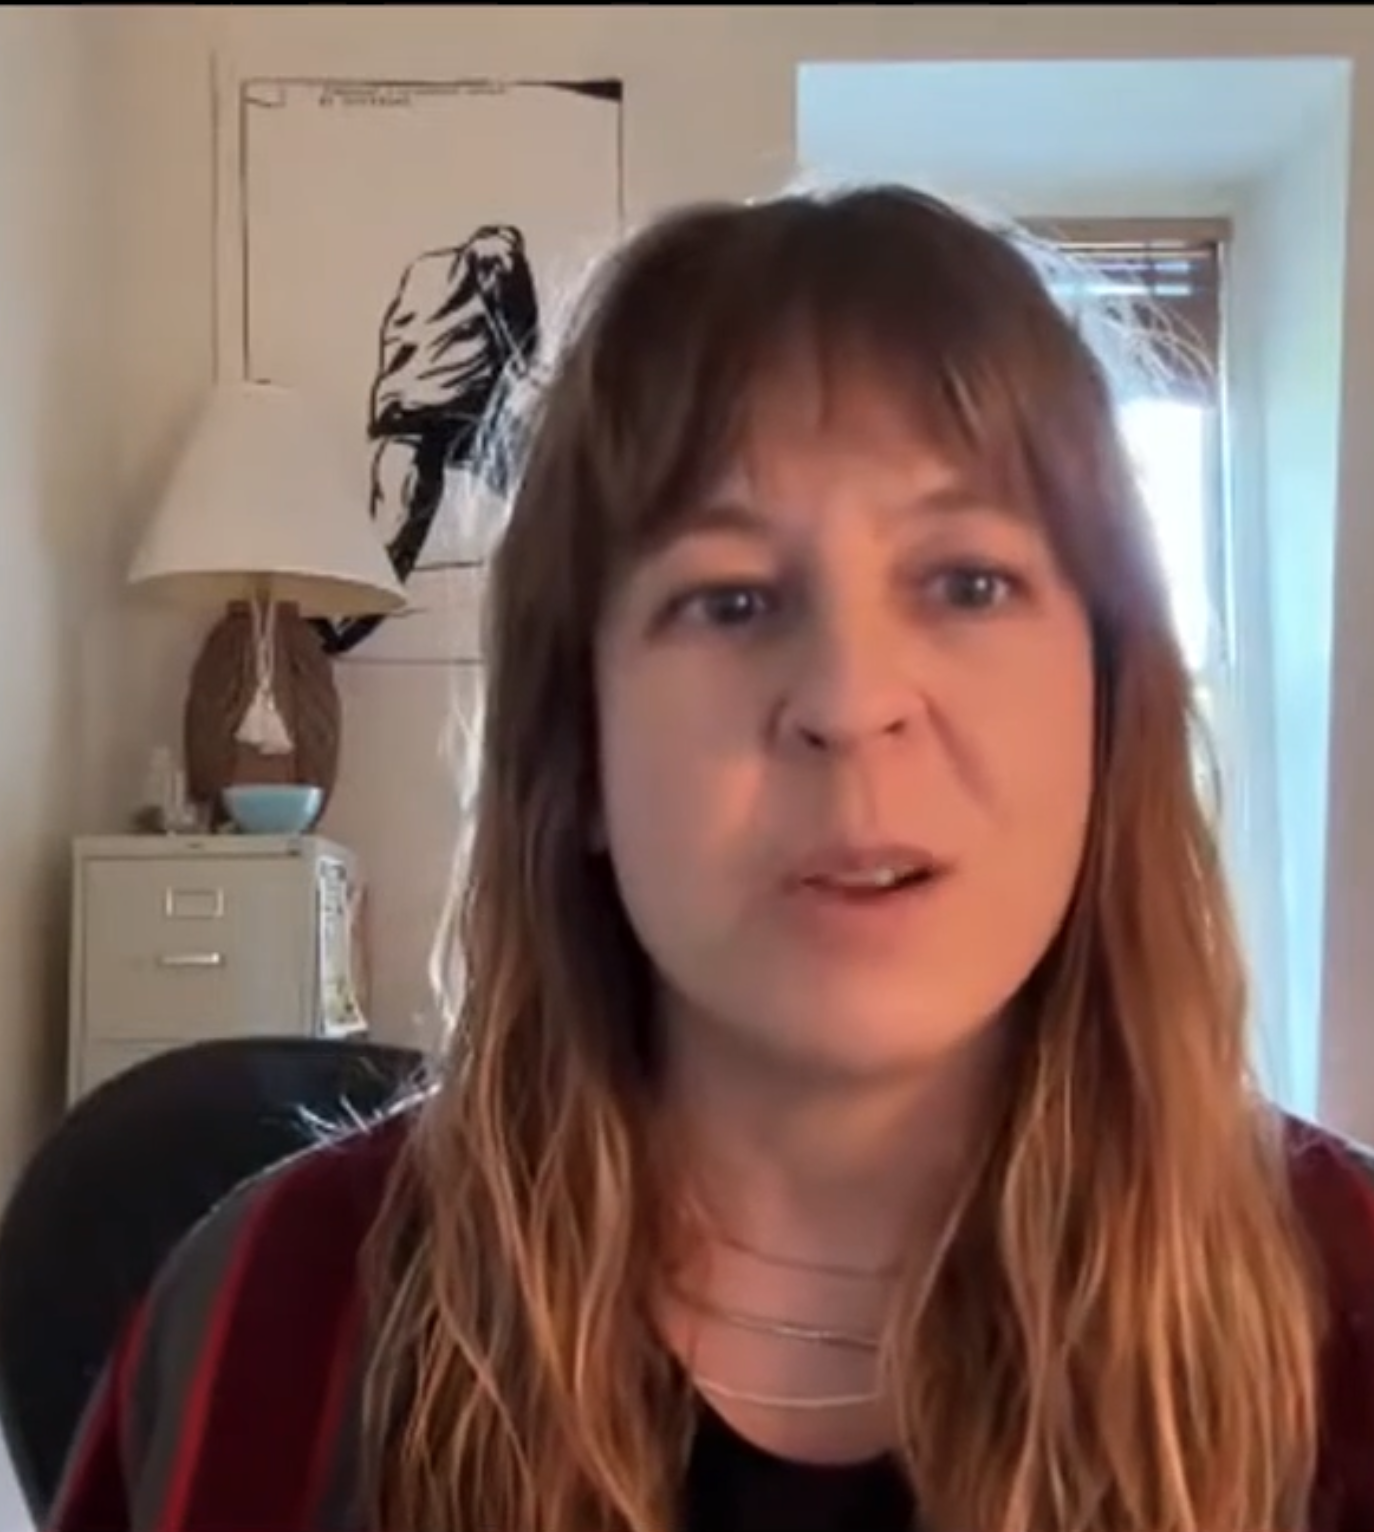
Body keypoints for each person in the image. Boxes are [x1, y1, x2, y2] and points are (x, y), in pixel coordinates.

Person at [47, 184, 1374, 1532]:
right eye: (730, 600)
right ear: (581, 751)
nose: (850, 701)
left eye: (967, 583)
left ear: (1108, 712)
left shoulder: (1351, 1312)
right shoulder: (274, 1328)